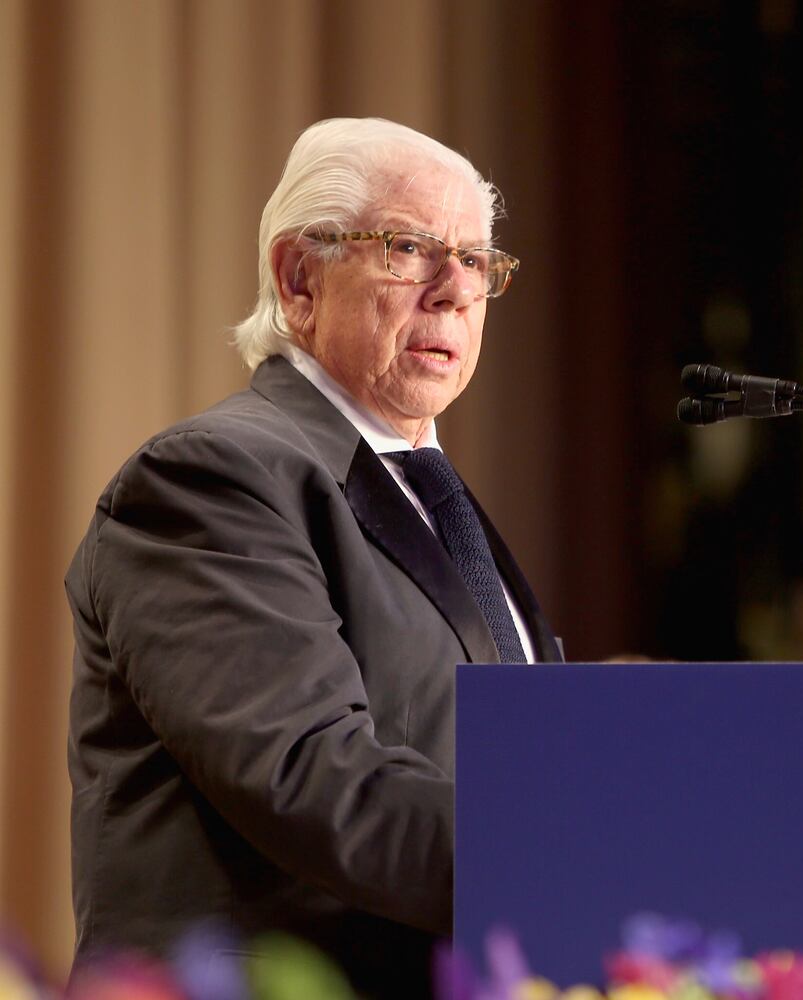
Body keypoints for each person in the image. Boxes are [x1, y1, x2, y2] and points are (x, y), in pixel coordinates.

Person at [65, 118, 561, 998]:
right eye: (410, 248)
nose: (454, 292)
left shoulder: (427, 489)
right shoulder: (210, 479)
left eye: (478, 261)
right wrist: (576, 854)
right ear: (300, 277)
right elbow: (308, 771)